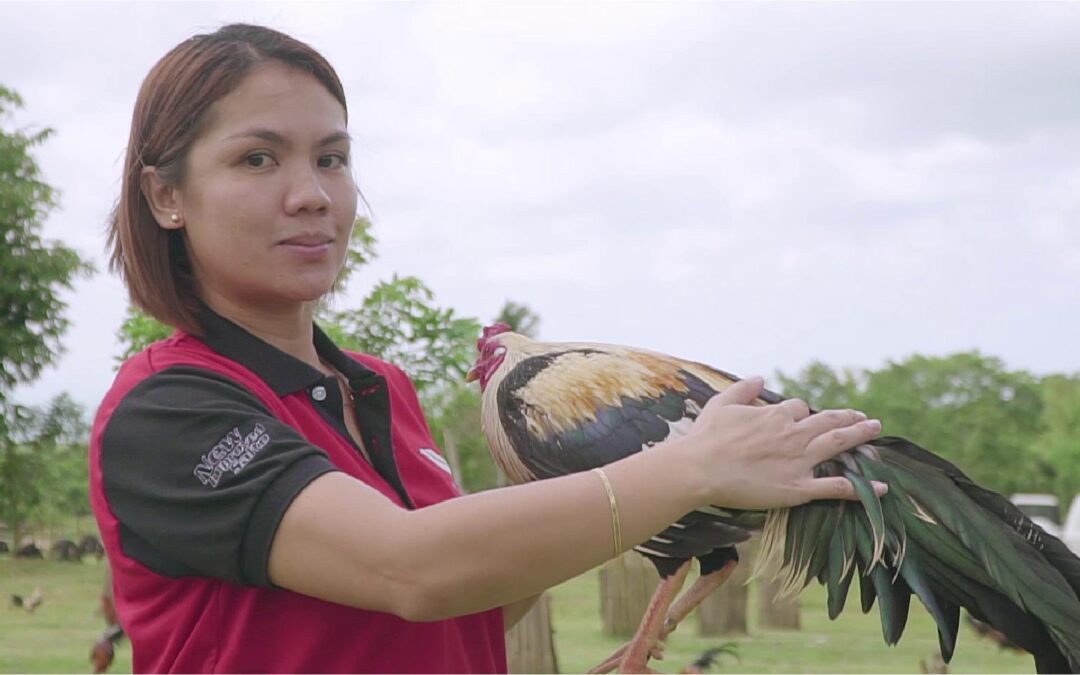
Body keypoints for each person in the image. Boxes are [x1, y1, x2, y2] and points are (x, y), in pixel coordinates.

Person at [90, 23, 885, 674]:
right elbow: (412, 569)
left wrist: (630, 477)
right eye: (257, 158)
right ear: (166, 196)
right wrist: (688, 465)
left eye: (331, 158)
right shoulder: (170, 409)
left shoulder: (380, 387)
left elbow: (479, 600)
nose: (314, 194)